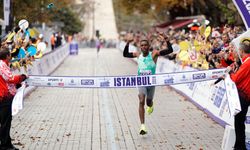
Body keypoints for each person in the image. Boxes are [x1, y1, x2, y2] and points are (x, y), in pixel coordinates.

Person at [123, 34, 173, 135]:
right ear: (140, 47)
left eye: (145, 45)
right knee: (141, 100)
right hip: (141, 81)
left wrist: (167, 40)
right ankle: (142, 126)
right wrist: (127, 43)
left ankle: (151, 105)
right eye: (142, 45)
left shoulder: (154, 54)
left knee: (148, 102)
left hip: (151, 83)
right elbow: (125, 54)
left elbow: (169, 51)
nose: (144, 47)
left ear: (148, 46)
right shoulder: (138, 55)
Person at [0, 48, 27, 150]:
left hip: (3, 95)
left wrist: (18, 85)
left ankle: (6, 142)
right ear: (7, 56)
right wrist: (21, 77)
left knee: (5, 121)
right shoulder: (2, 65)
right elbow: (10, 78)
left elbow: (6, 80)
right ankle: (5, 145)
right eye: (9, 55)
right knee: (5, 122)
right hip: (4, 97)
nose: (10, 57)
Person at [228, 39, 250, 150]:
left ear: (241, 51)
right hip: (245, 95)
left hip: (244, 96)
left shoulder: (247, 63)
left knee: (239, 122)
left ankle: (240, 147)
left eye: (238, 50)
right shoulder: (247, 62)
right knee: (239, 122)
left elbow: (235, 79)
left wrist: (230, 72)